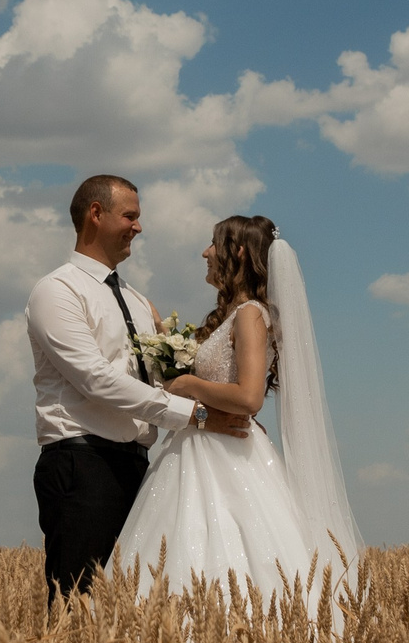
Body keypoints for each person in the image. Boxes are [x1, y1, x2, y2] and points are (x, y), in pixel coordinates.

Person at [115, 214, 364, 600]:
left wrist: (188, 384)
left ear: (240, 252)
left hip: (224, 451)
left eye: (214, 244)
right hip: (199, 441)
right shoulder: (233, 315)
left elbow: (249, 397)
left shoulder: (250, 315)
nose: (206, 252)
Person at [26, 174, 250, 603]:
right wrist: (197, 415)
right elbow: (96, 380)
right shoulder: (57, 291)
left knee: (134, 604)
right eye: (130, 216)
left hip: (141, 467)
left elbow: (159, 377)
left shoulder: (136, 300)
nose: (139, 227)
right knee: (79, 603)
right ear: (96, 214)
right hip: (83, 464)